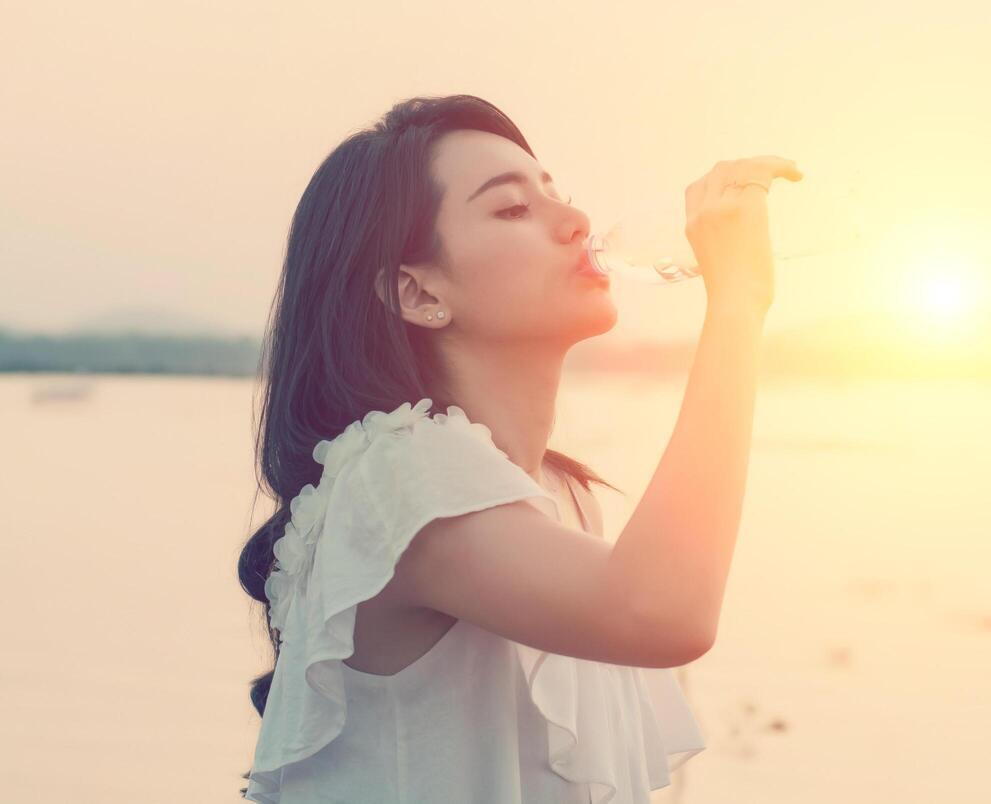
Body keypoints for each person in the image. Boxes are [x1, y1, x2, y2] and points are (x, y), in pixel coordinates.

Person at [236, 93, 801, 802]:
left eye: (559, 195)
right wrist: (739, 300)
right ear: (415, 290)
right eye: (511, 209)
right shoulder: (398, 481)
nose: (576, 223)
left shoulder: (561, 496)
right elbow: (664, 611)